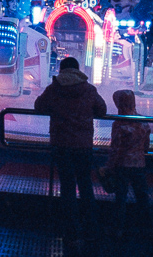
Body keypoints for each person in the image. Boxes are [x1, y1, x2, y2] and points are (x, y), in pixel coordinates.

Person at [34, 57, 107, 250]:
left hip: (61, 145)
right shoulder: (88, 89)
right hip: (83, 146)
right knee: (85, 185)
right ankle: (91, 231)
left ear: (62, 69)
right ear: (77, 69)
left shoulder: (54, 88)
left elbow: (39, 107)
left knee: (67, 187)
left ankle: (72, 232)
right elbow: (102, 109)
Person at [99, 90, 153, 239]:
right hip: (139, 164)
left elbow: (117, 148)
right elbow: (146, 145)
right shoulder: (142, 121)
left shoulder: (119, 123)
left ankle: (117, 229)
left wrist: (109, 166)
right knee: (142, 197)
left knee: (120, 198)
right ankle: (149, 229)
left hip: (122, 166)